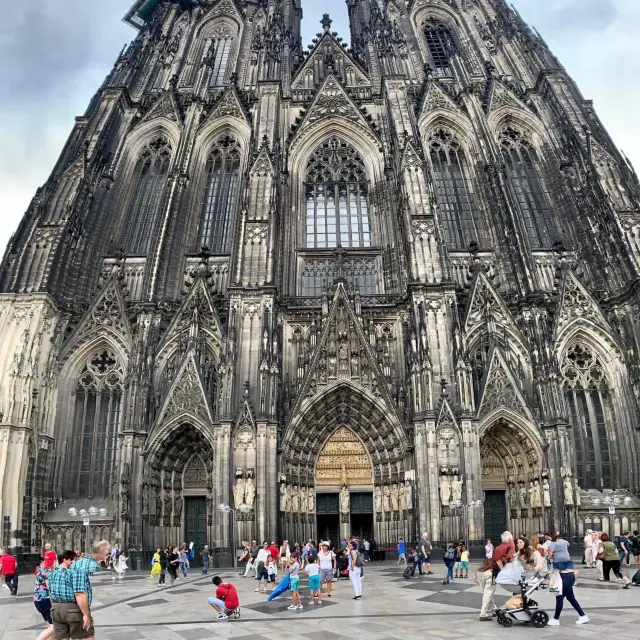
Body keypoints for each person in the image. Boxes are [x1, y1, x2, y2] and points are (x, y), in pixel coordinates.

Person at [48, 550, 89, 640]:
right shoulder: (73, 573)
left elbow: (50, 590)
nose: (73, 562)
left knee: (62, 637)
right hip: (71, 608)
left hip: (55, 608)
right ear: (65, 559)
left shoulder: (52, 573)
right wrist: (86, 614)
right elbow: (79, 594)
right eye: (72, 560)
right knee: (77, 637)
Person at [547, 553, 589, 626]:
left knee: (559, 597)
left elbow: (560, 567)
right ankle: (583, 616)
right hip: (564, 577)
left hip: (567, 577)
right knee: (571, 598)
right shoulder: (557, 555)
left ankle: (556, 619)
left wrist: (552, 562)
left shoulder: (562, 556)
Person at [33, 556, 55, 640]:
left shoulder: (39, 569)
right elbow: (49, 586)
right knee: (54, 627)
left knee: (50, 626)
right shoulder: (45, 572)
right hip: (44, 599)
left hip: (37, 600)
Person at [475, 555, 496, 622]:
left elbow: (476, 578)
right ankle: (483, 614)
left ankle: (494, 609)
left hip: (481, 577)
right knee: (488, 594)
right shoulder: (491, 571)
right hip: (490, 576)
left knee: (488, 593)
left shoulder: (480, 570)